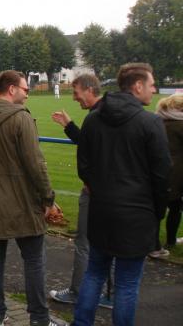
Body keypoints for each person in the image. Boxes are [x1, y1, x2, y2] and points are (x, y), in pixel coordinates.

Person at [73, 63, 171, 326]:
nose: (154, 89)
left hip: (102, 211)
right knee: (126, 284)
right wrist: (156, 212)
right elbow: (162, 176)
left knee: (94, 274)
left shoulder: (94, 118)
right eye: (151, 84)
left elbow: (85, 165)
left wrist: (101, 191)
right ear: (137, 86)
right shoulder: (150, 122)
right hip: (136, 216)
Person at [0, 70, 59, 326]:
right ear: (11, 89)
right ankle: (39, 318)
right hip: (21, 201)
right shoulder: (20, 119)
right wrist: (48, 198)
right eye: (25, 89)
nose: (28, 93)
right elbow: (36, 164)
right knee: (34, 262)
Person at [48, 74, 113, 309]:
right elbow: (89, 144)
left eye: (76, 93)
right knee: (109, 243)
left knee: (85, 242)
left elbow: (93, 151)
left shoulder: (98, 116)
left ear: (88, 89)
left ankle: (78, 292)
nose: (74, 98)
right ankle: (109, 294)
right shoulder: (109, 113)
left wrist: (92, 182)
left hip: (96, 191)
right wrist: (69, 126)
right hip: (113, 192)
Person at [155, 94, 183, 252]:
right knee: (174, 208)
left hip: (157, 171)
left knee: (157, 209)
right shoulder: (180, 125)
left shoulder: (157, 121)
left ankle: (154, 243)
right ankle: (170, 241)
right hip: (176, 174)